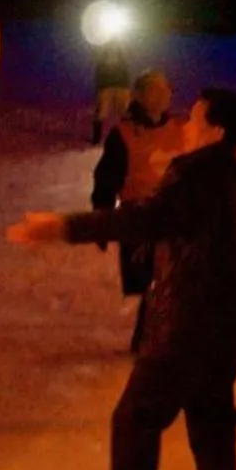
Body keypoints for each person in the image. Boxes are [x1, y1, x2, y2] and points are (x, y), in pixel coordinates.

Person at [9, 88, 236, 470]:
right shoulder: (233, 174)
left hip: (189, 324)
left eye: (196, 118)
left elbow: (150, 219)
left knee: (134, 419)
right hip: (224, 327)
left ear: (216, 130)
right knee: (210, 420)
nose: (185, 124)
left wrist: (65, 228)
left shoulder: (197, 174)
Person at [91, 70, 183, 349]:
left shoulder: (179, 129)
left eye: (168, 89)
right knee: (152, 279)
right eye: (159, 90)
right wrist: (102, 221)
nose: (167, 95)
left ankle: (154, 337)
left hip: (175, 217)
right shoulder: (125, 134)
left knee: (171, 278)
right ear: (142, 96)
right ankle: (149, 340)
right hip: (140, 217)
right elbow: (106, 180)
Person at [92, 36, 132, 147]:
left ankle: (128, 138)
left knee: (125, 112)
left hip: (121, 83)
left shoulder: (123, 46)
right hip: (106, 83)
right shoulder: (102, 46)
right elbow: (97, 60)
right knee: (101, 112)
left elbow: (129, 56)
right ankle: (96, 139)